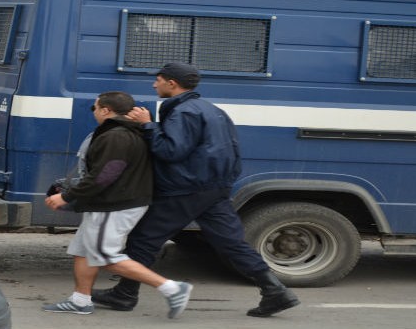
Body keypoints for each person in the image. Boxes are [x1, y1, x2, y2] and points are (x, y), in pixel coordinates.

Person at [92, 63, 300, 318]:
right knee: (231, 243)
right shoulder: (212, 110)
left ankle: (125, 294)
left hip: (185, 188)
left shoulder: (184, 112)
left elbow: (171, 151)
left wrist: (148, 125)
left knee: (144, 239)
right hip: (214, 188)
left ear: (172, 84)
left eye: (158, 80)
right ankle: (275, 291)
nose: (154, 84)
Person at [42, 91, 193, 318]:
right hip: (110, 203)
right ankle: (80, 301)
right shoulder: (124, 132)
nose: (93, 112)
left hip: (114, 205)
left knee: (104, 255)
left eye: (94, 108)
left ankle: (171, 288)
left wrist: (67, 197)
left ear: (106, 110)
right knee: (83, 251)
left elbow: (104, 175)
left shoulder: (116, 136)